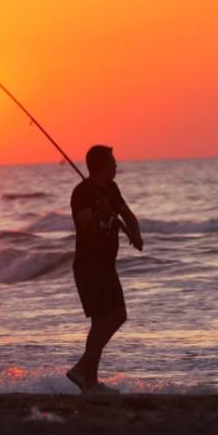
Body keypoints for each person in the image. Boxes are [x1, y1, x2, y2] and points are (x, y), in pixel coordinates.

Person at [66, 145, 144, 394]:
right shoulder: (82, 193)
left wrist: (136, 233)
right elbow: (87, 227)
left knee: (118, 315)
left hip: (107, 266)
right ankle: (88, 379)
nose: (116, 165)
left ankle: (85, 375)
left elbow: (127, 214)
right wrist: (100, 212)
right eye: (112, 161)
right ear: (101, 165)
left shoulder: (111, 189)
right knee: (101, 321)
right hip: (89, 267)